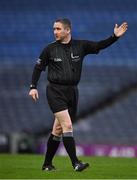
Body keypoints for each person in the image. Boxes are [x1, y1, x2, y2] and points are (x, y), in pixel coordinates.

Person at [29, 18, 128, 171]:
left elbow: (99, 45)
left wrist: (114, 37)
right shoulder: (49, 49)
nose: (55, 32)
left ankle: (47, 164)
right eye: (54, 29)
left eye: (58, 29)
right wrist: (33, 86)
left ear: (68, 30)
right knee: (67, 125)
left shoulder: (81, 46)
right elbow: (38, 68)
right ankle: (76, 163)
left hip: (72, 92)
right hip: (55, 91)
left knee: (57, 131)